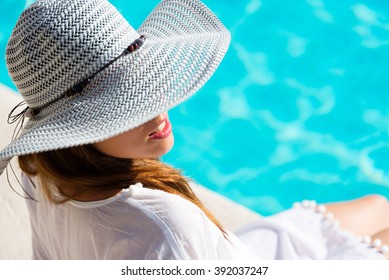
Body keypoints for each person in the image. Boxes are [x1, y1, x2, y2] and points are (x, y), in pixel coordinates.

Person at [0, 0, 388, 260]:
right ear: (78, 128)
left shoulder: (43, 171)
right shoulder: (165, 225)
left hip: (227, 257)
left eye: (147, 81)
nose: (156, 111)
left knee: (377, 205)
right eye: (125, 103)